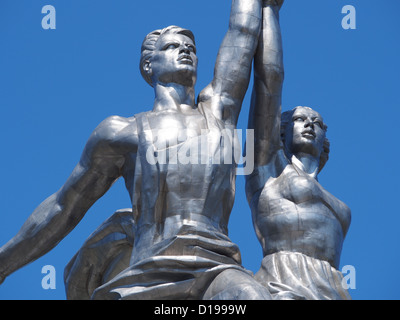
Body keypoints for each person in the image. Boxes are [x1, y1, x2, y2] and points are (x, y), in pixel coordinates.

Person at [0, 0, 272, 300]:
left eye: (191, 48)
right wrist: (4, 263)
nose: (185, 51)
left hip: (215, 268)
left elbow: (243, 32)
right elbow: (64, 208)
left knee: (249, 296)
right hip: (147, 271)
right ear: (148, 66)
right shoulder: (121, 132)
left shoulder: (218, 113)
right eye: (171, 47)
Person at [245, 1, 352, 299]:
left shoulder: (343, 209)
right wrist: (270, 10)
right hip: (283, 282)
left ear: (324, 141)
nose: (308, 125)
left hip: (332, 289)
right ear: (280, 132)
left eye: (316, 122)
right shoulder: (268, 172)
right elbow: (270, 80)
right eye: (299, 119)